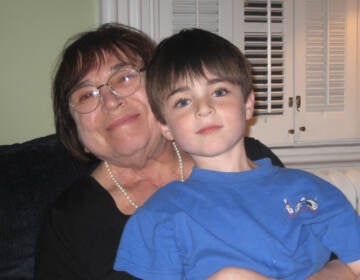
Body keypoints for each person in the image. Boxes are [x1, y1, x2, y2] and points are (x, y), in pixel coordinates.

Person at [33, 23, 291, 279]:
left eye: (124, 77)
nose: (111, 102)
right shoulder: (68, 223)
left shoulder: (249, 160)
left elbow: (320, 249)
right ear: (76, 132)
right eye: (86, 95)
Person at [113, 28, 360, 279]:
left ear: (248, 103)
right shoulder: (158, 216)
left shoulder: (308, 191)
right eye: (183, 102)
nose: (204, 109)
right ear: (165, 126)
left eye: (218, 92)